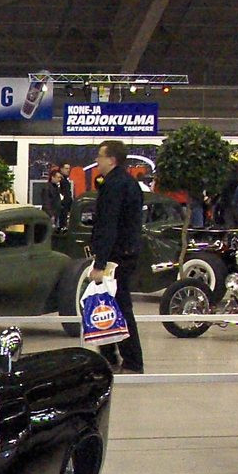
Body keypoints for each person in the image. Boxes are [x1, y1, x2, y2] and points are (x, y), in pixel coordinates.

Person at [88, 139, 145, 374]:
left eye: (100, 157)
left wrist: (100, 263)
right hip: (125, 252)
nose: (97, 161)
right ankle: (109, 355)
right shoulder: (125, 183)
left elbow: (108, 225)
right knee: (108, 304)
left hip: (117, 256)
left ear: (111, 159)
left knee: (119, 306)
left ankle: (132, 361)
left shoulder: (115, 185)